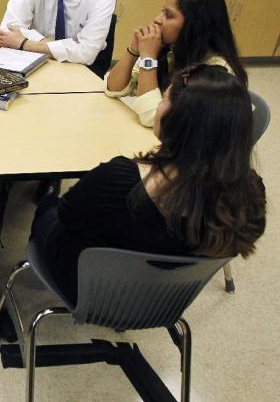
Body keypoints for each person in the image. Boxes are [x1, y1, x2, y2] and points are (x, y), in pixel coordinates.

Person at [31, 64, 265, 303]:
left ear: (176, 120)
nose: (159, 106)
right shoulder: (250, 198)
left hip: (86, 288)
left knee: (48, 204)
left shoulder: (122, 179)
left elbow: (67, 216)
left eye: (163, 99)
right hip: (163, 299)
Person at [105, 0, 247, 127]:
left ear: (194, 26)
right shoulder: (171, 49)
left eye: (168, 15)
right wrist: (134, 50)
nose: (157, 19)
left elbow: (155, 120)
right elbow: (113, 88)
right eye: (162, 11)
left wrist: (148, 58)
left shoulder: (215, 72)